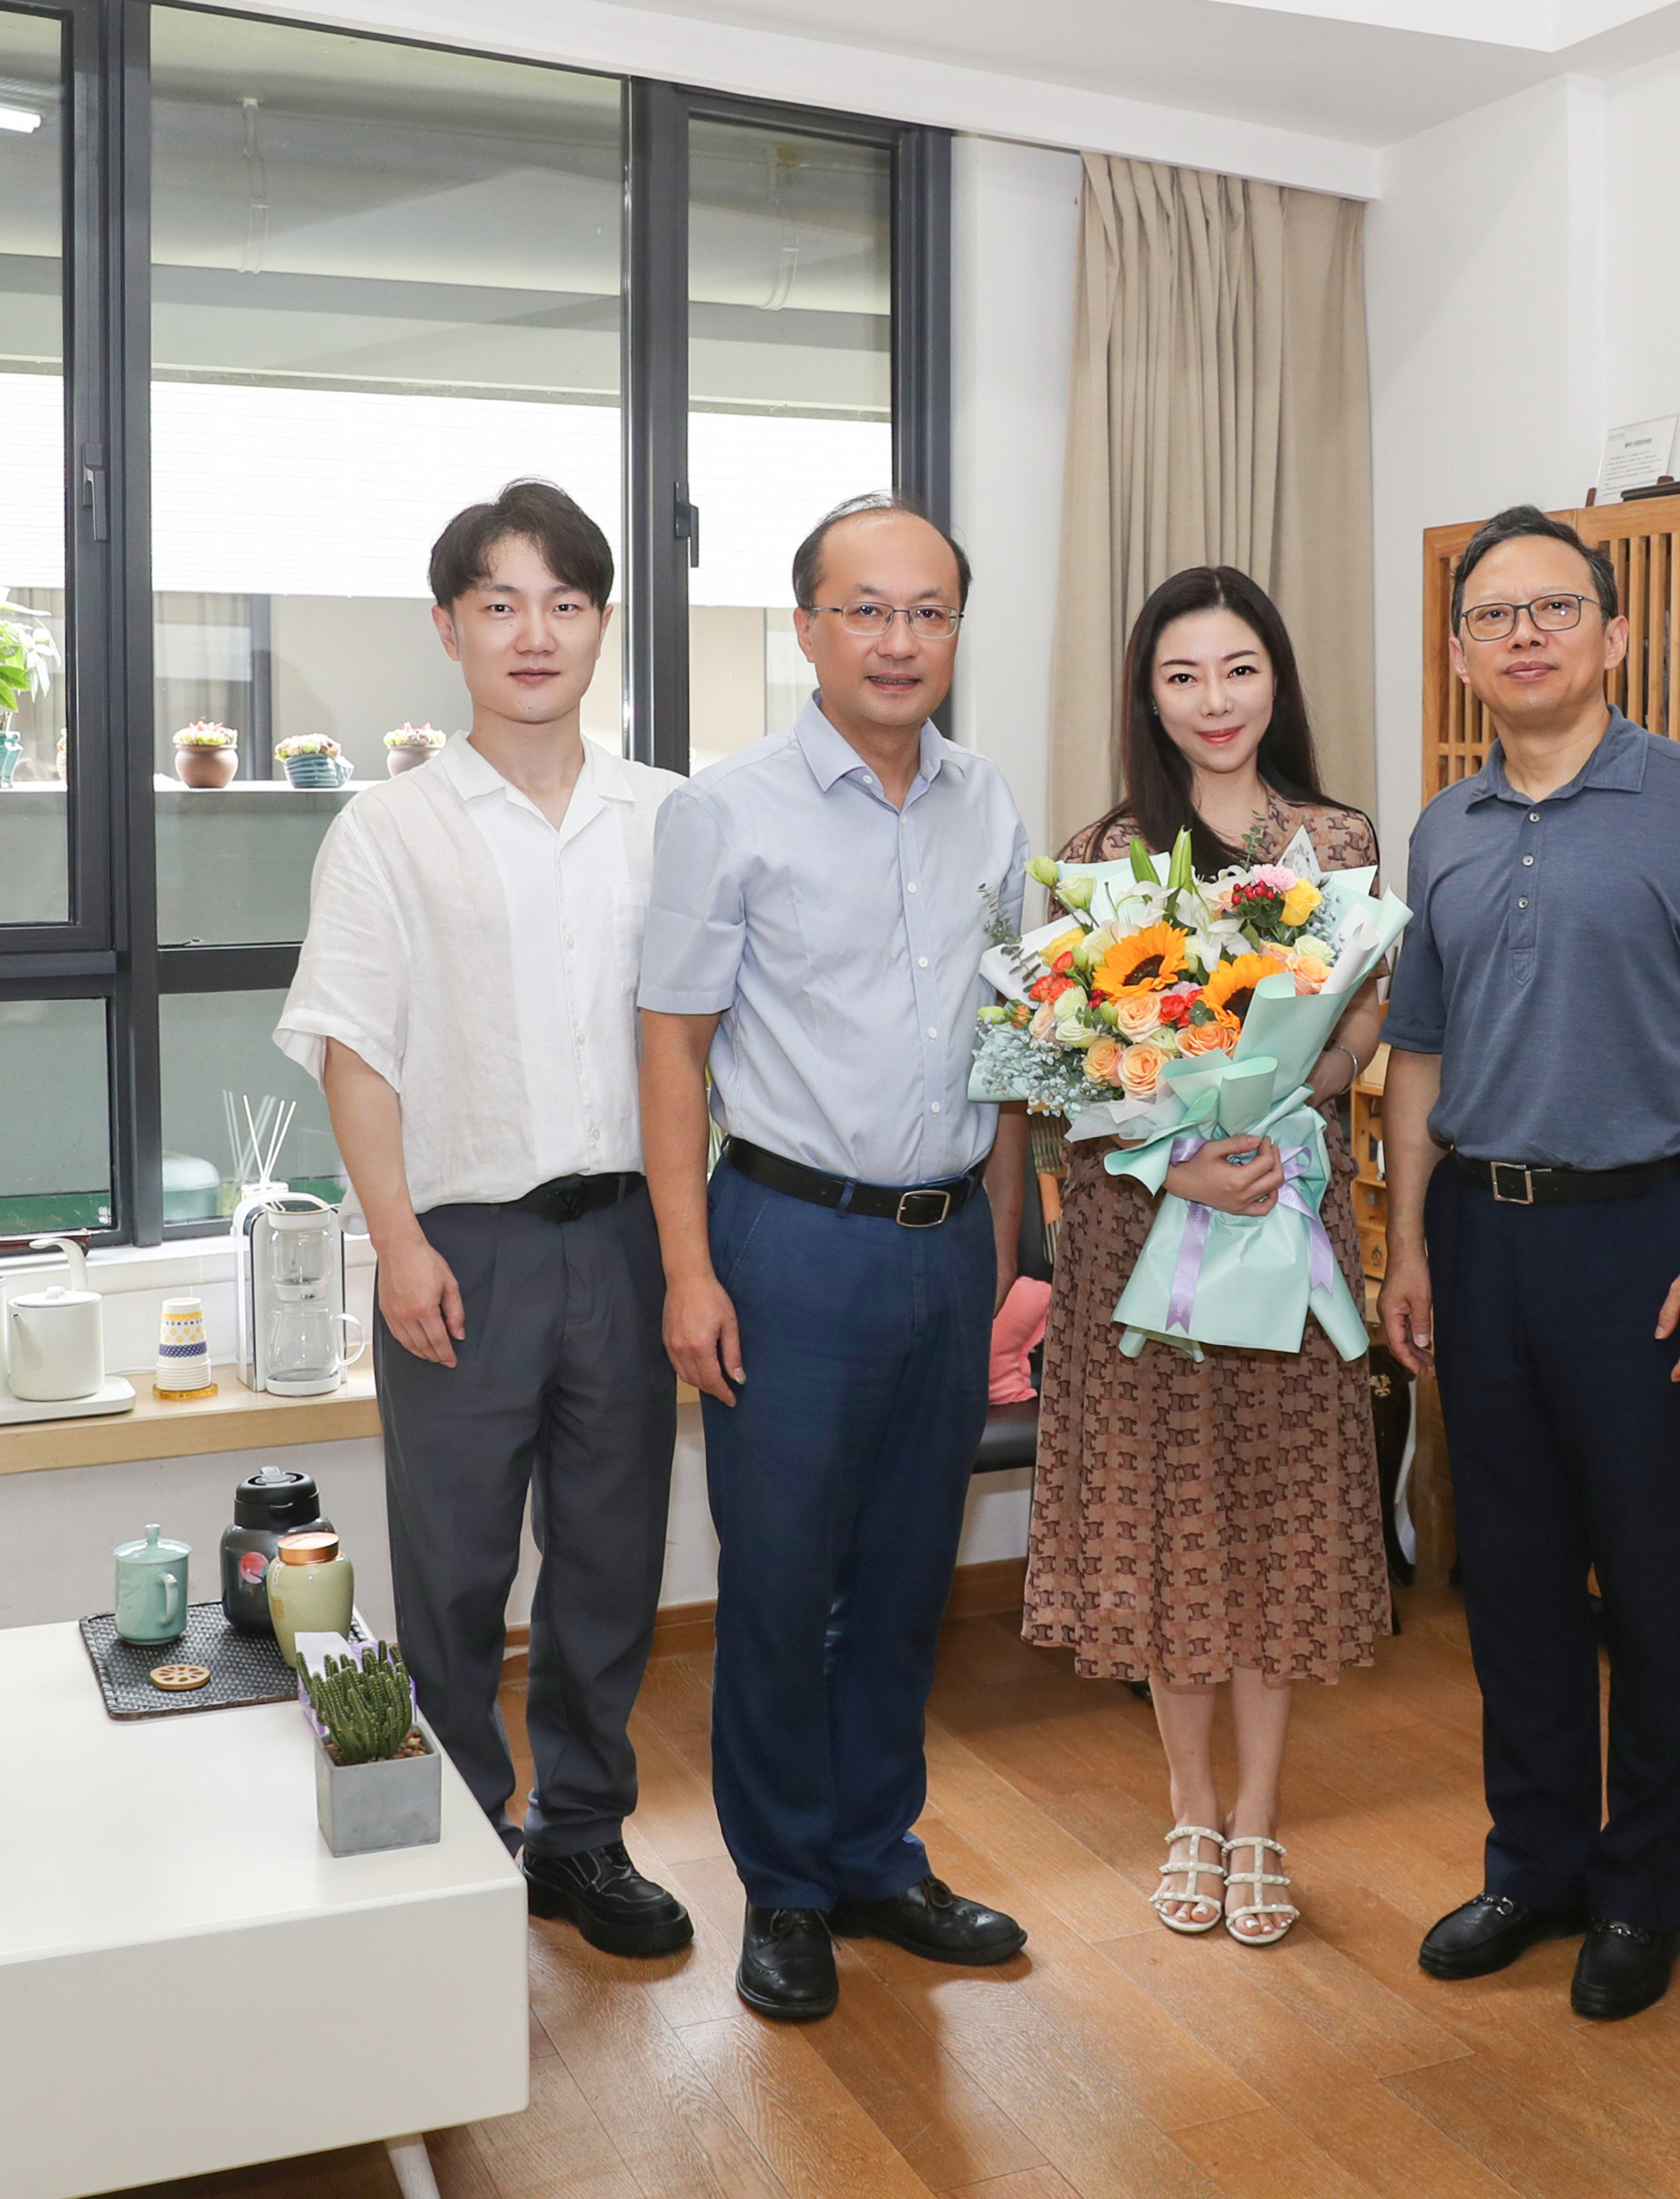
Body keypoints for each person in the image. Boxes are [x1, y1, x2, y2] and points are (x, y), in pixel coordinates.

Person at [1378, 504, 1680, 2022]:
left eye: (1555, 608)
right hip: (1480, 1237)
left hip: (1646, 1239)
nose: (1526, 635)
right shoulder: (1445, 825)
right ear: (1461, 654)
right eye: (1495, 616)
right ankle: (1534, 1865)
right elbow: (1416, 1052)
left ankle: (1643, 1893)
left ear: (1615, 635)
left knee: (1651, 1583)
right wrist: (1407, 1241)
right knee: (1512, 1579)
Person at [276, 478, 690, 1960]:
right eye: (500, 603)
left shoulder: (669, 817)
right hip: (464, 1245)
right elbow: (355, 1048)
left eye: (565, 603)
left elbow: (705, 1037)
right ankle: (458, 1834)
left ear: (602, 625)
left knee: (610, 1556)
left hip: (632, 1234)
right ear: (449, 628)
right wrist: (394, 1241)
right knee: (453, 1566)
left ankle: (582, 1837)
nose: (535, 633)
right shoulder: (388, 828)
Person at [638, 493, 1034, 2023]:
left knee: (904, 1576)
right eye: (865, 608)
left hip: (950, 1244)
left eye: (928, 611)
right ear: (806, 626)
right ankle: (788, 1888)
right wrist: (689, 1269)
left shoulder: (988, 803)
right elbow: (672, 1050)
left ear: (956, 632)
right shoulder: (726, 809)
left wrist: (1004, 1245)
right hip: (789, 1240)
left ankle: (878, 1857)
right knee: (782, 1581)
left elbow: (1014, 1044)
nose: (898, 639)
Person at [1019, 565, 1391, 1949]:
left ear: (1276, 679)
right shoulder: (1105, 855)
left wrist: (1289, 1100)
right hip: (1148, 1228)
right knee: (1169, 1521)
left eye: (1239, 669)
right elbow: (1066, 1074)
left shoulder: (1335, 842)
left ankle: (1261, 1822)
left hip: (1285, 1206)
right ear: (1148, 694)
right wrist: (1179, 1155)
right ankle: (1188, 1808)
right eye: (1183, 675)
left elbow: (1362, 1022)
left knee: (1275, 1520)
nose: (1214, 700)